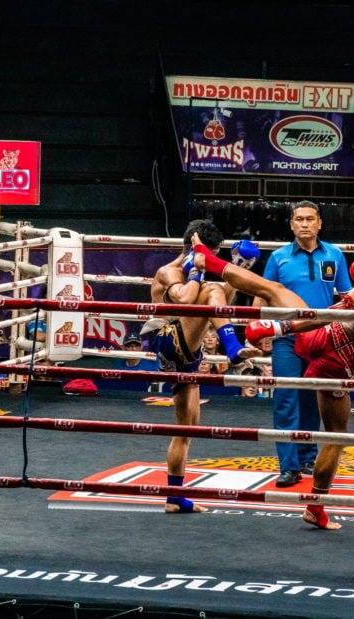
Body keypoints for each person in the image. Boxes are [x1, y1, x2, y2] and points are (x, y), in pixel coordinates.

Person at [194, 230, 354, 530]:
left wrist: (279, 328)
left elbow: (322, 316)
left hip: (323, 342)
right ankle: (315, 508)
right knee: (335, 437)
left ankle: (207, 258)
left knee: (272, 288)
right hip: (342, 363)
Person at [145, 220, 261, 513]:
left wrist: (239, 270)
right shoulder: (168, 271)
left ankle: (174, 497)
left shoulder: (199, 279)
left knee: (187, 430)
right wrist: (197, 267)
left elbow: (222, 302)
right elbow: (184, 297)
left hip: (188, 352)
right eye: (211, 256)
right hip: (167, 340)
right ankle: (233, 348)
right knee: (210, 289)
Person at [252, 200, 352, 488]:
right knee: (286, 399)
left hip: (322, 338)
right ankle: (288, 466)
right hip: (286, 337)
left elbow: (346, 298)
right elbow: (264, 293)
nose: (305, 223)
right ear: (291, 224)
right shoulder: (278, 257)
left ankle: (308, 457)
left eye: (310, 218)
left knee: (312, 400)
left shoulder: (334, 254)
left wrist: (342, 336)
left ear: (319, 223)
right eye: (299, 219)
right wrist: (258, 329)